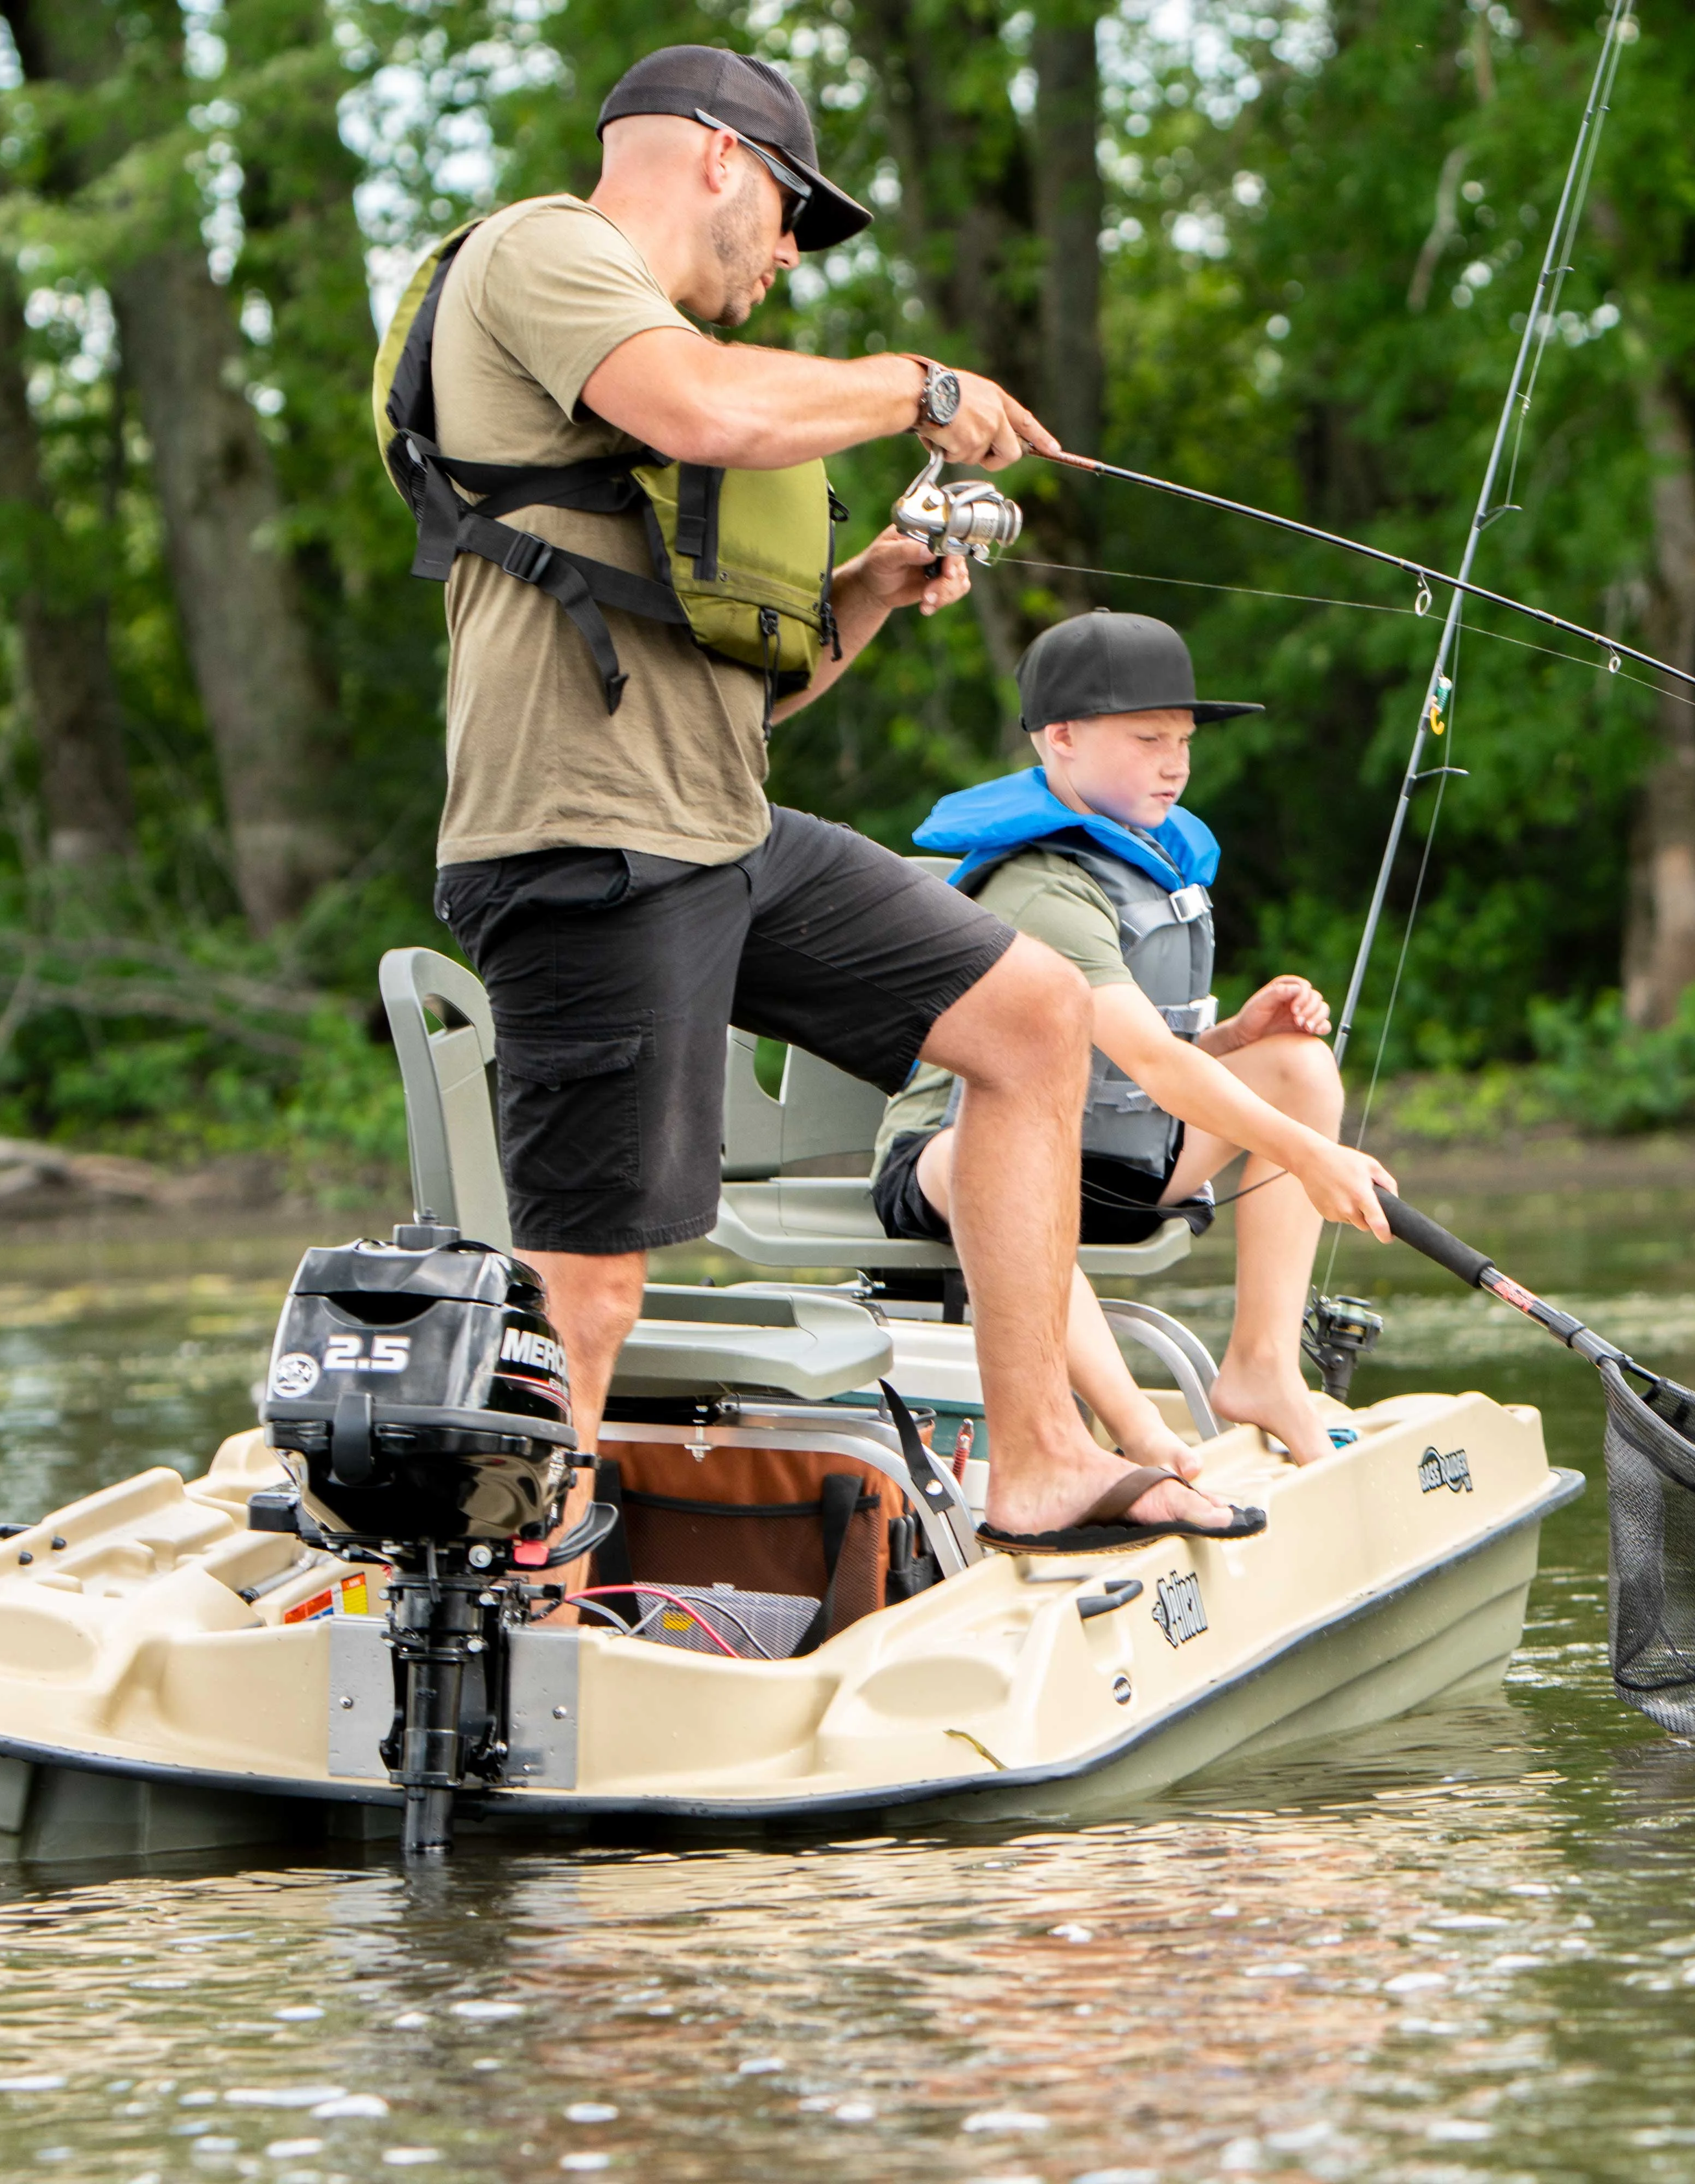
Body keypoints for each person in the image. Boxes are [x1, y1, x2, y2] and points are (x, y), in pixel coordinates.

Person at [418, 46, 1252, 1563]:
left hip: (723, 834)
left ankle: (1043, 1465)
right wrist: (915, 389)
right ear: (719, 159)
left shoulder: (646, 363)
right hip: (583, 848)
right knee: (592, 1290)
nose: (793, 249)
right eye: (797, 209)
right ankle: (522, 1595)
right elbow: (706, 411)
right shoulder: (547, 256)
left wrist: (867, 587)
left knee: (1033, 1019)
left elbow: (753, 696)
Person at [871, 612, 1397, 1471]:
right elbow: (1154, 1065)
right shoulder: (1042, 887)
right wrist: (1313, 1158)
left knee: (1299, 1066)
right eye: (1149, 736)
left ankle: (1262, 1370)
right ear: (1063, 738)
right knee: (1015, 1170)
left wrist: (1232, 1039)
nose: (1177, 761)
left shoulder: (1149, 857)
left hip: (1111, 1162)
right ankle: (1138, 1436)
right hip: (963, 1166)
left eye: (1185, 739)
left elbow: (1132, 1063)